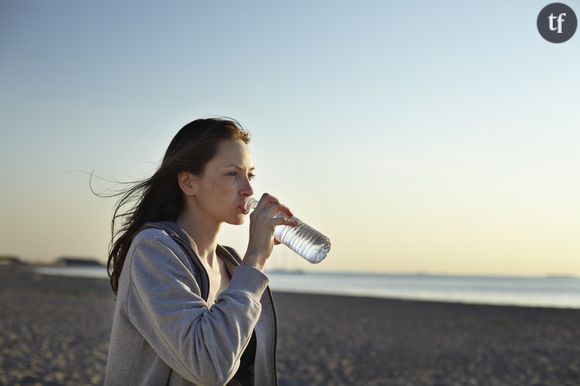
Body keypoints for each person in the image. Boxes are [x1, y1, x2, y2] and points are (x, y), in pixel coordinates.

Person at [104, 117, 298, 386]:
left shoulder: (228, 264)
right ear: (188, 183)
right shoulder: (153, 249)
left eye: (250, 175)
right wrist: (255, 258)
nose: (249, 189)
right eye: (232, 174)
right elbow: (209, 366)